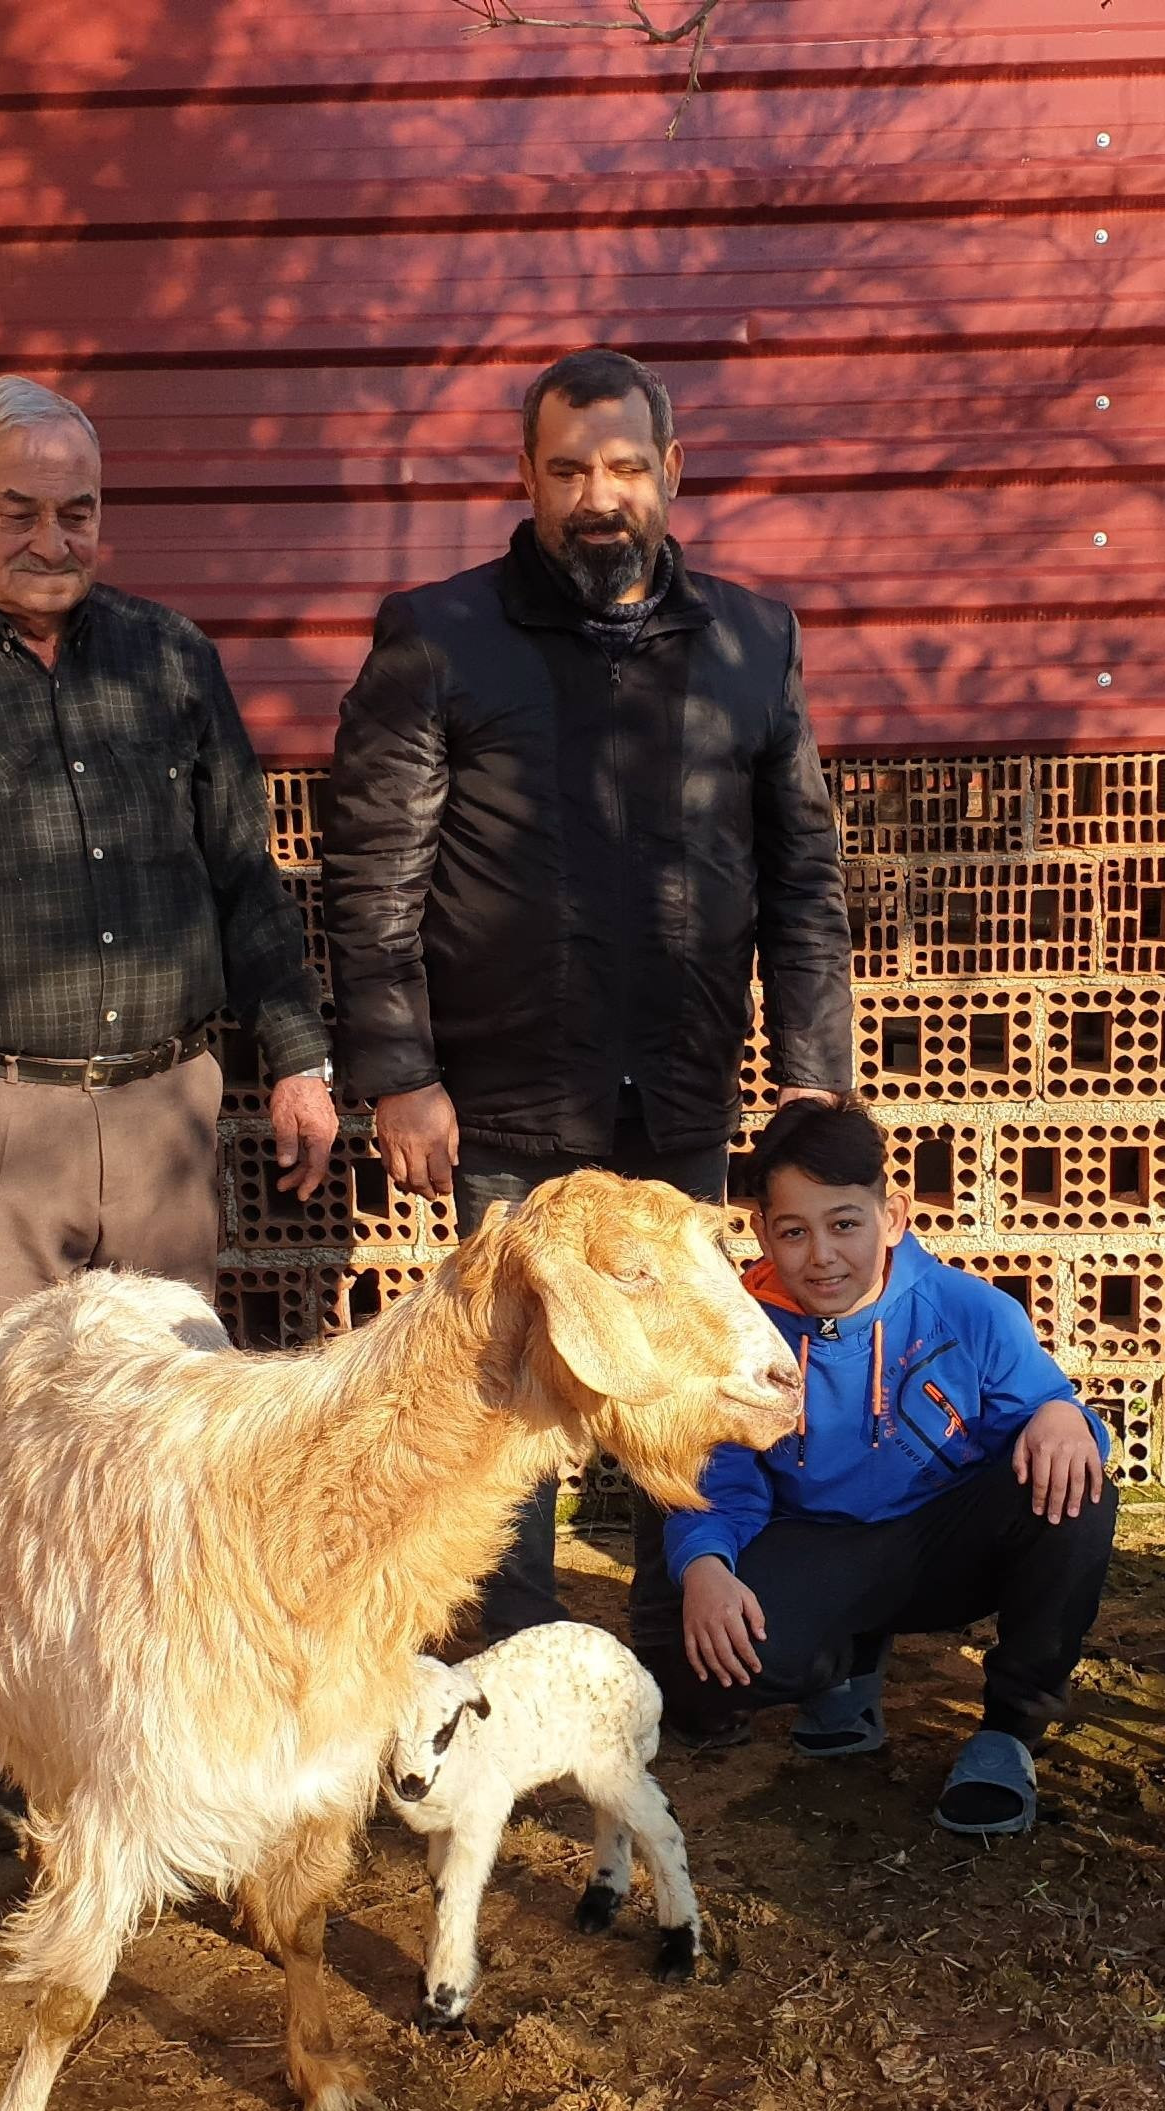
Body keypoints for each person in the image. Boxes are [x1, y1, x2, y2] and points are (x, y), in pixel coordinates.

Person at [327, 346, 855, 1641]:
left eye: (624, 468)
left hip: (682, 1087)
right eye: (567, 470)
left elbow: (803, 877)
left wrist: (813, 1073)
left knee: (686, 1365)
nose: (596, 497)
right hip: (508, 1096)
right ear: (525, 475)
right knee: (513, 1381)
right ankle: (513, 1659)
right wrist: (399, 1069)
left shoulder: (750, 643)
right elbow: (372, 872)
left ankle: (690, 1642)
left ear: (672, 474)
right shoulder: (441, 637)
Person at [0, 374, 335, 1481]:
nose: (52, 539)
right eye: (18, 512)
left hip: (164, 1111)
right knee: (13, 1448)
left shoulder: (174, 659)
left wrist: (298, 1059)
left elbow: (245, 871)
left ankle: (159, 1658)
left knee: (172, 1436)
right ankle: (6, 1661)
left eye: (77, 511)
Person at [653, 1102, 1116, 1838]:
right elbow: (719, 1475)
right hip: (821, 1539)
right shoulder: (735, 1331)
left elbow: (1044, 1410)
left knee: (1077, 1493)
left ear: (892, 1217)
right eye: (794, 1232)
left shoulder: (973, 1312)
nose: (823, 1256)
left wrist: (1066, 1415)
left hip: (945, 1546)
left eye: (845, 1224)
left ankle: (1008, 1733)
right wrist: (704, 1565)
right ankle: (847, 1669)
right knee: (717, 1670)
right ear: (764, 1232)